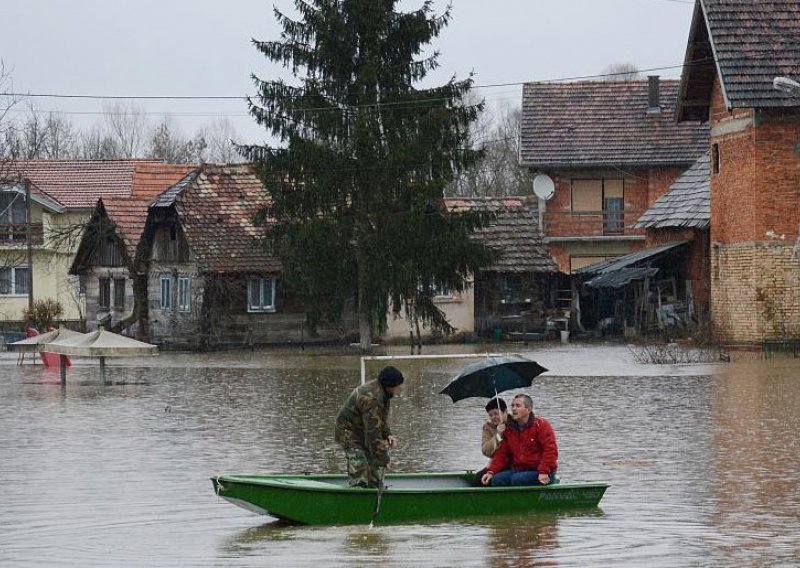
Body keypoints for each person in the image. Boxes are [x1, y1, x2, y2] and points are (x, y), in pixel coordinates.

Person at [334, 365, 404, 488]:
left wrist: (388, 434)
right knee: (360, 467)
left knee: (374, 470)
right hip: (349, 433)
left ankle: (374, 487)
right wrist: (384, 459)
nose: (398, 389)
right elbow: (373, 433)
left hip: (363, 429)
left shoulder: (383, 393)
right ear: (390, 386)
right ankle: (358, 493)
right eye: (397, 386)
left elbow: (378, 420)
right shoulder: (372, 399)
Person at [481, 393, 558, 487]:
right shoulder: (510, 429)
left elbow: (550, 450)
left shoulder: (541, 425)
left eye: (518, 406)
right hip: (520, 469)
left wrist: (544, 471)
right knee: (497, 480)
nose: (513, 409)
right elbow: (502, 454)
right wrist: (491, 472)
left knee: (517, 479)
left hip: (541, 471)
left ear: (528, 409)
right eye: (512, 406)